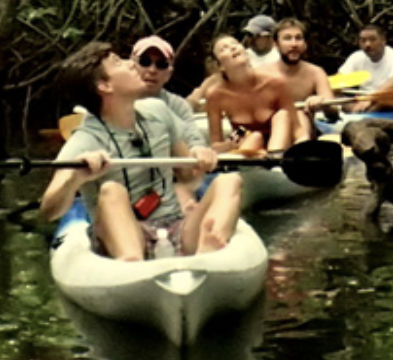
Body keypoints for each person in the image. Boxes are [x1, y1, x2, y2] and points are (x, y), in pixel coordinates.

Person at [39, 42, 243, 261]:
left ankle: (209, 253)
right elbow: (49, 212)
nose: (131, 64)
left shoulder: (158, 111)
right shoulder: (85, 140)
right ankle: (132, 261)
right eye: (119, 62)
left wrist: (201, 157)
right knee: (111, 191)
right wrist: (75, 177)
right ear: (104, 85)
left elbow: (189, 179)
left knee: (229, 181)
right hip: (122, 236)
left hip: (176, 226)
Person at [205, 34, 294, 154]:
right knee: (255, 137)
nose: (232, 48)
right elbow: (216, 145)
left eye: (235, 44)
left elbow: (298, 129)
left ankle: (274, 157)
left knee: (282, 115)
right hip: (249, 150)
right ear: (220, 65)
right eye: (224, 48)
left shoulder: (276, 82)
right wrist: (231, 144)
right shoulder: (215, 95)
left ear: (246, 53)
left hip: (281, 147)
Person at [132, 35, 207, 149]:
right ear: (131, 66)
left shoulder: (178, 105)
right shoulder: (112, 100)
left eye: (161, 65)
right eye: (145, 62)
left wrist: (199, 151)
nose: (152, 70)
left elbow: (195, 142)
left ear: (169, 74)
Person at [267, 18, 331, 141]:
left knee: (300, 114)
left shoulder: (316, 72)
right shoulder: (261, 73)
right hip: (269, 129)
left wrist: (322, 102)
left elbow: (334, 111)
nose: (294, 44)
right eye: (287, 38)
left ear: (305, 44)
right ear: (275, 44)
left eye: (298, 38)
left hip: (305, 131)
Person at [337, 24, 393, 112]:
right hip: (364, 101)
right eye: (363, 40)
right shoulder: (356, 57)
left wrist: (371, 99)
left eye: (372, 40)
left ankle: (360, 114)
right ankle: (357, 112)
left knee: (384, 103)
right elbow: (340, 79)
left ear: (383, 40)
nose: (367, 44)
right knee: (338, 98)